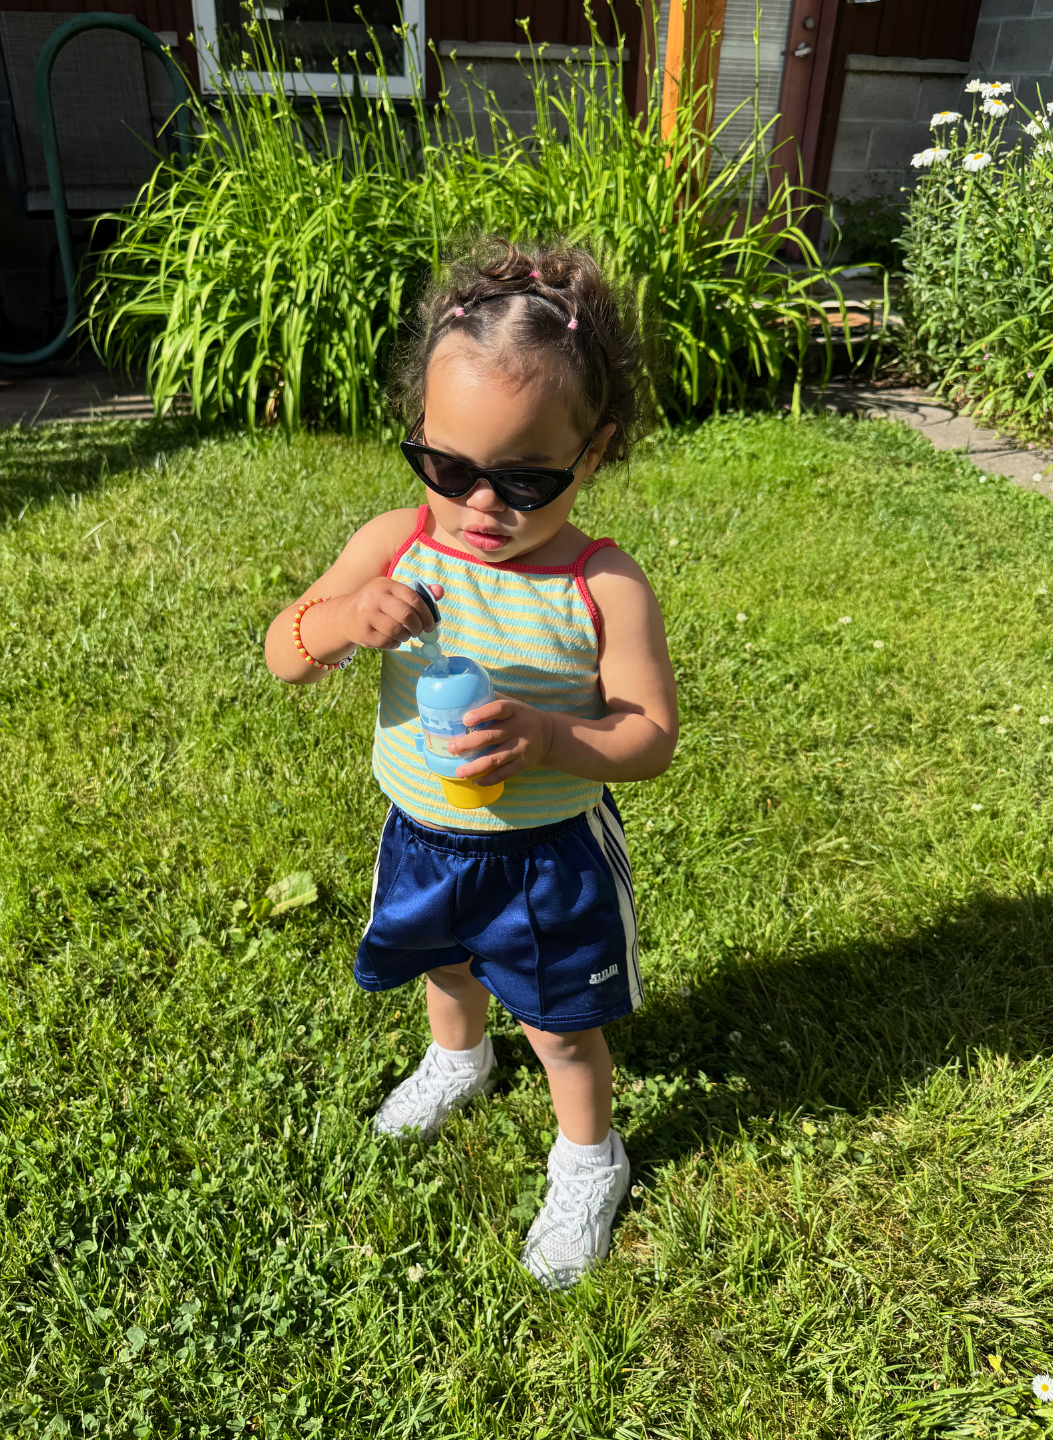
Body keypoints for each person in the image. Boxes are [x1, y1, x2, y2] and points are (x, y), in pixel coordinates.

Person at [265, 241, 678, 1290]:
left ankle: (590, 1155)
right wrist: (345, 620)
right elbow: (284, 652)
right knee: (445, 968)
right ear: (420, 441)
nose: (479, 507)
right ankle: (458, 1054)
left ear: (593, 454)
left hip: (548, 853)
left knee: (559, 1023)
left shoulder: (604, 585)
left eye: (524, 479)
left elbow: (648, 737)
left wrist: (546, 738)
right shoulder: (396, 543)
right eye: (447, 468)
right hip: (421, 834)